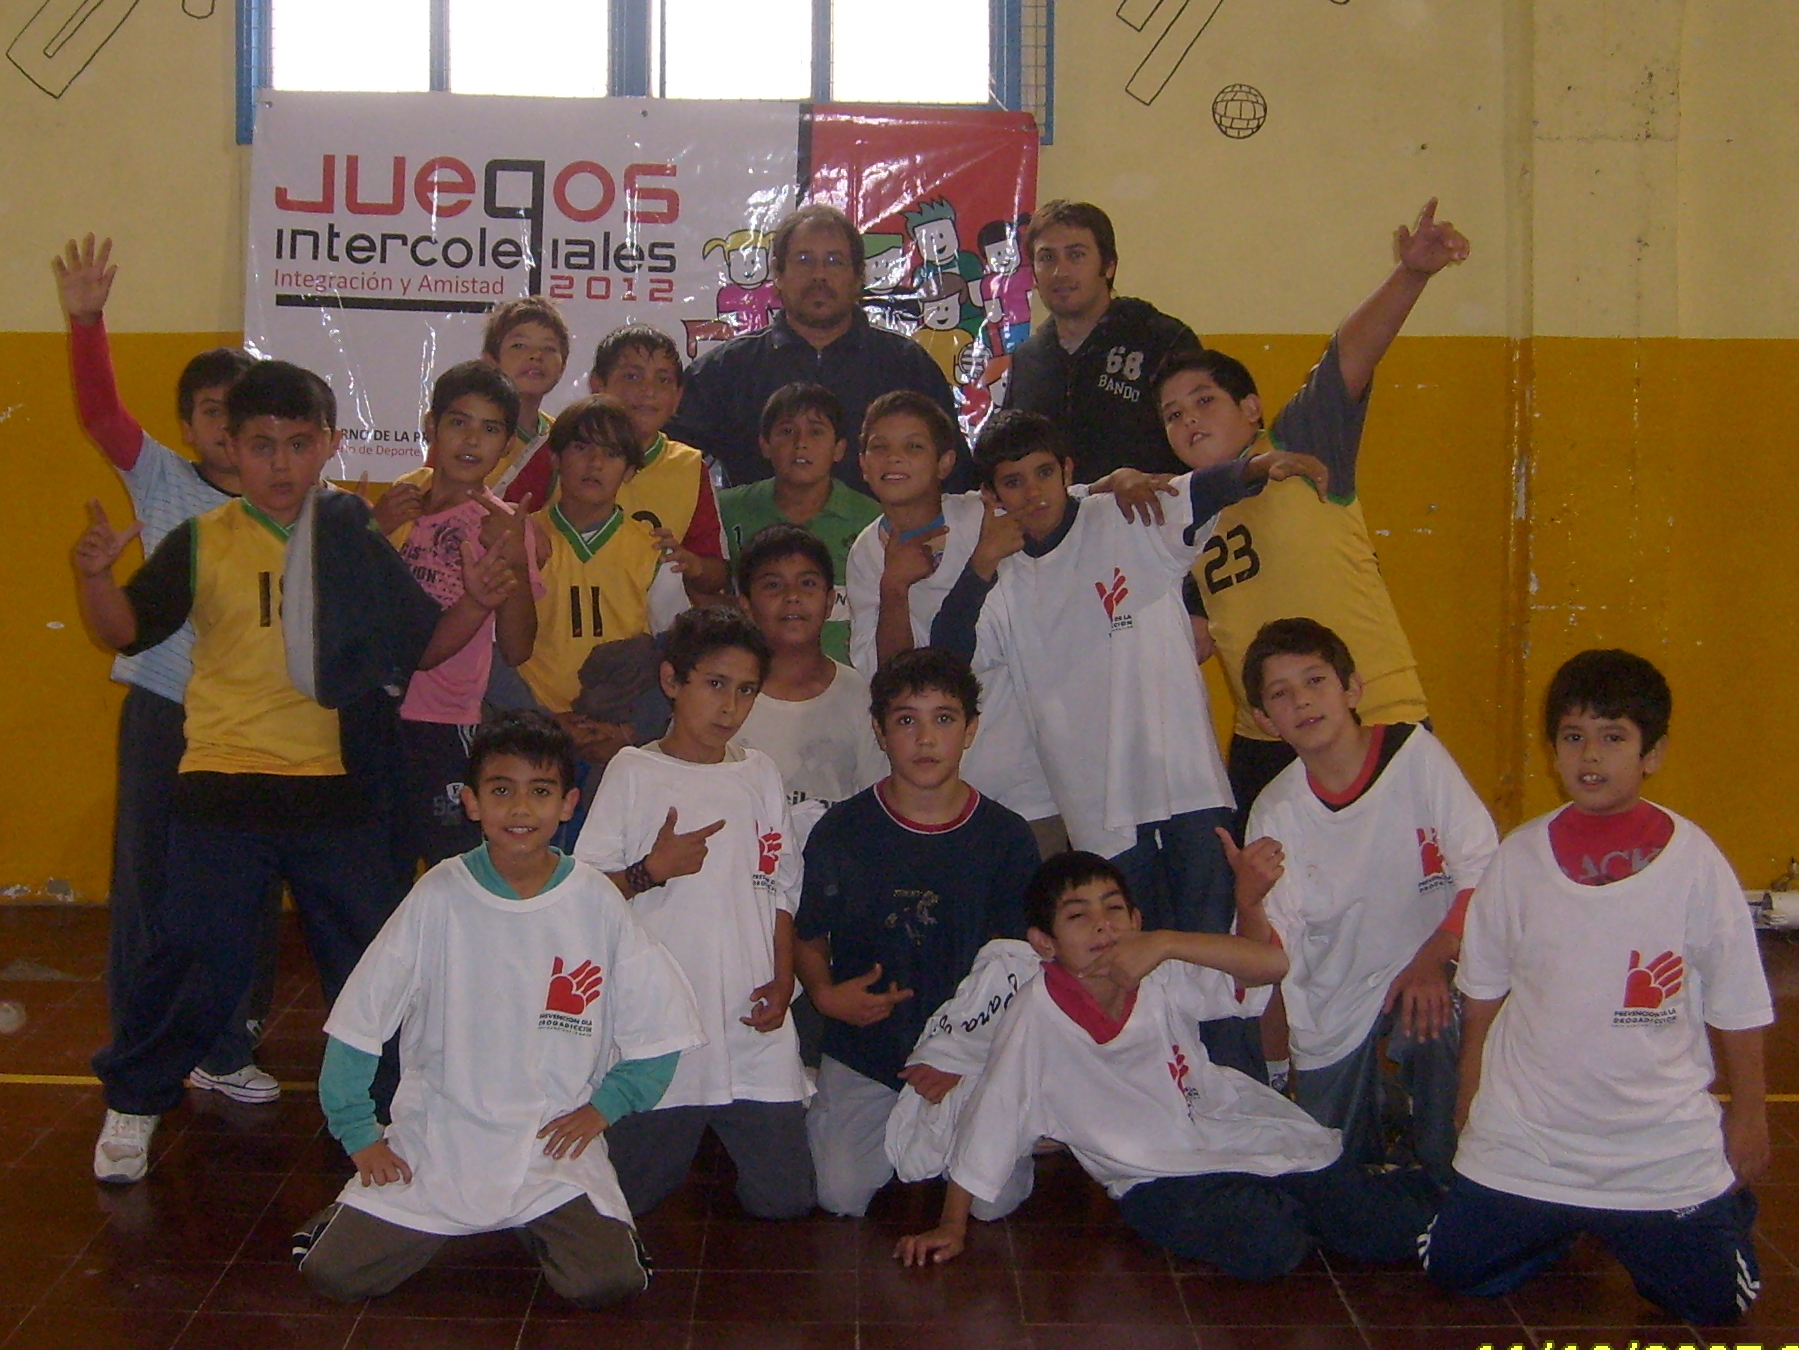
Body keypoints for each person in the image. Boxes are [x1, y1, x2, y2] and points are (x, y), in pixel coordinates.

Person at [75, 359, 521, 1184]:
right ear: (231, 450)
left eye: (296, 444)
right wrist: (95, 578)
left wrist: (480, 601)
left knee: (369, 961)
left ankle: (387, 1112)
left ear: (327, 445)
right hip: (220, 785)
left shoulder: (350, 534)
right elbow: (126, 630)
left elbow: (422, 645)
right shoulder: (201, 540)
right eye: (260, 446)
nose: (279, 464)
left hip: (336, 794)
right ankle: (134, 1102)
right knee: (189, 956)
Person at [928, 409, 1326, 1076]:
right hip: (1099, 808)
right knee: (1127, 959)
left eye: (1043, 475)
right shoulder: (1002, 585)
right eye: (1013, 482)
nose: (1033, 494)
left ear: (1068, 472)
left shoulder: (1121, 513)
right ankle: (1158, 1092)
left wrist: (1258, 467)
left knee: (1208, 947)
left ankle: (1236, 1088)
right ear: (993, 496)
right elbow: (945, 657)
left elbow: (1199, 493)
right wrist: (979, 565)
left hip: (1187, 783)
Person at [293, 711, 704, 1307]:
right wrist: (358, 1132)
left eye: (539, 792)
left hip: (548, 1146)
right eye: (501, 790)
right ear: (471, 802)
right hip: (441, 1141)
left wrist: (605, 1107)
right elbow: (360, 1020)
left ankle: (538, 1220)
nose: (520, 809)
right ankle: (363, 1214)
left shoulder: (594, 898)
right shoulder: (437, 894)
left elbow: (663, 1024)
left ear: (568, 804)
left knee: (606, 1283)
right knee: (334, 1276)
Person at [1424, 650, 1771, 1326]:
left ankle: (1703, 1206)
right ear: (1551, 748)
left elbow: (1737, 1000)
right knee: (1454, 1271)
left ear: (1652, 753)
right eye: (1572, 736)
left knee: (1714, 1304)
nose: (1590, 756)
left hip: (1654, 1149)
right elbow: (1484, 988)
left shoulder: (1694, 863)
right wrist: (1471, 1089)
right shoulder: (1518, 859)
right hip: (1529, 1140)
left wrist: (1750, 1115)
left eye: (1613, 738)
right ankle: (1563, 1221)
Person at [895, 852, 1435, 1278]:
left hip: (1228, 1131)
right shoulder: (1037, 1014)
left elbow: (1268, 966)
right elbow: (994, 1113)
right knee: (1267, 1248)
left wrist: (1209, 922)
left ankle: (1418, 1193)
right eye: (1078, 916)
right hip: (1153, 1178)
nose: (1103, 927)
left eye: (1115, 910)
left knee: (1382, 1232)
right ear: (1044, 942)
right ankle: (1304, 1203)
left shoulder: (1161, 971)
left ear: (1138, 921)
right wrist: (952, 1225)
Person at [52, 233, 279, 1104]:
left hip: (253, 724)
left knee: (247, 887)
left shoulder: (292, 499)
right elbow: (102, 412)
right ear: (188, 426)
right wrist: (86, 320)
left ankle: (225, 1045)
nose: (225, 429)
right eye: (209, 413)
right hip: (161, 714)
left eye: (240, 412)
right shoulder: (161, 480)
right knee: (149, 889)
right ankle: (143, 1051)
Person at [1152, 199, 1470, 819]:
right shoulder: (1181, 517)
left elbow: (1348, 356)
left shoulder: (1297, 446)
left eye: (1204, 400)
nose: (1189, 418)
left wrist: (1411, 275)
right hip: (1265, 737)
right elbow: (1191, 637)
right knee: (1264, 902)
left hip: (1374, 714)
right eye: (1172, 414)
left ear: (1251, 409)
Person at [573, 607, 814, 1220]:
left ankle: (724, 1130)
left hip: (749, 1022)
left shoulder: (759, 772)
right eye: (714, 684)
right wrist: (650, 870)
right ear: (671, 681)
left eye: (746, 690)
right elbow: (582, 897)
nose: (729, 706)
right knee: (624, 1201)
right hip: (663, 1031)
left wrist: (785, 979)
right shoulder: (632, 771)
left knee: (785, 1202)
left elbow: (781, 888)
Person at [1241, 619, 1497, 1182]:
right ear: (1264, 720)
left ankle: (1445, 1163)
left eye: (1315, 680)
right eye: (1280, 694)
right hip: (1334, 1000)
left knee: (1438, 1018)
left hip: (1428, 974)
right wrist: (1250, 902)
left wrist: (1433, 960)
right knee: (1329, 1176)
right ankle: (1381, 1117)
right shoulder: (1275, 808)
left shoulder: (1415, 754)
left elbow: (1485, 871)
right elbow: (1269, 959)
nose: (1302, 701)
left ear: (1352, 689)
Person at [795, 648, 1040, 1217]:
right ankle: (832, 1102)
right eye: (907, 720)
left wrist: (967, 1053)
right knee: (840, 1194)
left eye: (944, 719)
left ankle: (1012, 1118)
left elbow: (1022, 967)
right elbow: (807, 935)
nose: (926, 739)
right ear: (880, 733)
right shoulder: (843, 829)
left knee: (992, 1205)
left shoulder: (1006, 837)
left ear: (971, 729)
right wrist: (828, 996)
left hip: (973, 1052)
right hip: (868, 1049)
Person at [844, 391, 1063, 857]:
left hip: (1026, 779)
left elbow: (1066, 503)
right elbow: (892, 678)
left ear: (945, 462)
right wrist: (894, 589)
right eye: (880, 447)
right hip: (933, 791)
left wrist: (1122, 480)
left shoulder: (986, 514)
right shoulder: (866, 551)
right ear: (862, 464)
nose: (895, 458)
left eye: (914, 446)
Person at [667, 202, 964, 491]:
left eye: (834, 261)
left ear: (859, 276)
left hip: (885, 540)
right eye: (804, 260)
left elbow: (956, 474)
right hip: (756, 540)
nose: (819, 275)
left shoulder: (906, 365)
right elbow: (661, 460)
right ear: (778, 274)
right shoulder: (728, 369)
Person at [384, 361, 542, 866]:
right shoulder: (395, 508)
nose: (472, 439)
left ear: (507, 446)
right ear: (431, 426)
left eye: (490, 428)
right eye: (459, 422)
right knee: (375, 878)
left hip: (444, 725)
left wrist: (515, 560)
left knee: (452, 874)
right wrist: (370, 529)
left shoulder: (503, 526)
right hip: (372, 717)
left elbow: (517, 649)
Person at [1003, 200, 1201, 482]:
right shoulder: (1028, 359)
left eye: (1076, 255)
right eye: (1047, 258)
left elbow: (1207, 450)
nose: (1060, 271)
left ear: (1108, 265)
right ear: (1033, 274)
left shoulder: (1163, 340)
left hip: (1150, 521)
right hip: (1053, 524)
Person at [515, 395, 662, 751]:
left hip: (620, 737)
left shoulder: (653, 552)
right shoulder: (521, 539)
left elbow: (676, 658)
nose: (595, 463)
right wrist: (541, 719)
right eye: (581, 447)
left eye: (611, 454)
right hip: (529, 730)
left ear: (629, 472)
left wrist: (632, 730)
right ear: (555, 459)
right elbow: (489, 650)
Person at [718, 383, 882, 664]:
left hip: (848, 684)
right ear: (765, 445)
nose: (800, 442)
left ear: (839, 448)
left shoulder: (874, 521)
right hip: (749, 679)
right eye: (786, 431)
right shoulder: (725, 510)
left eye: (816, 431)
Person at [730, 524, 885, 815]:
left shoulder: (860, 697)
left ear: (830, 603)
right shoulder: (722, 695)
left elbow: (873, 805)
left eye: (808, 583)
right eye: (773, 585)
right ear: (746, 606)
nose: (792, 596)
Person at [590, 323, 729, 599]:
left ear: (678, 397)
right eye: (632, 376)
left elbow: (716, 573)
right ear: (598, 385)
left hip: (656, 636)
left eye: (663, 380)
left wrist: (691, 564)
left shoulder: (689, 466)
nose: (648, 390)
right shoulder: (562, 452)